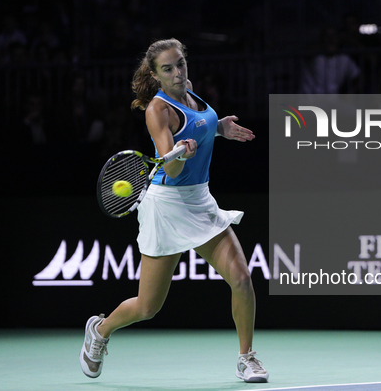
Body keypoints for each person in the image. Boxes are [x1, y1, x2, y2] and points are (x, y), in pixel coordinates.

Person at [79, 38, 269, 383]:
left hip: (200, 201)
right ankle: (101, 330)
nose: (178, 73)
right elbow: (175, 170)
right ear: (156, 75)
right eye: (168, 69)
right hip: (168, 207)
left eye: (180, 64)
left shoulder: (190, 92)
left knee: (241, 279)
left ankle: (247, 358)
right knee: (148, 307)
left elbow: (202, 125)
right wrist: (181, 152)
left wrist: (220, 129)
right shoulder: (158, 110)